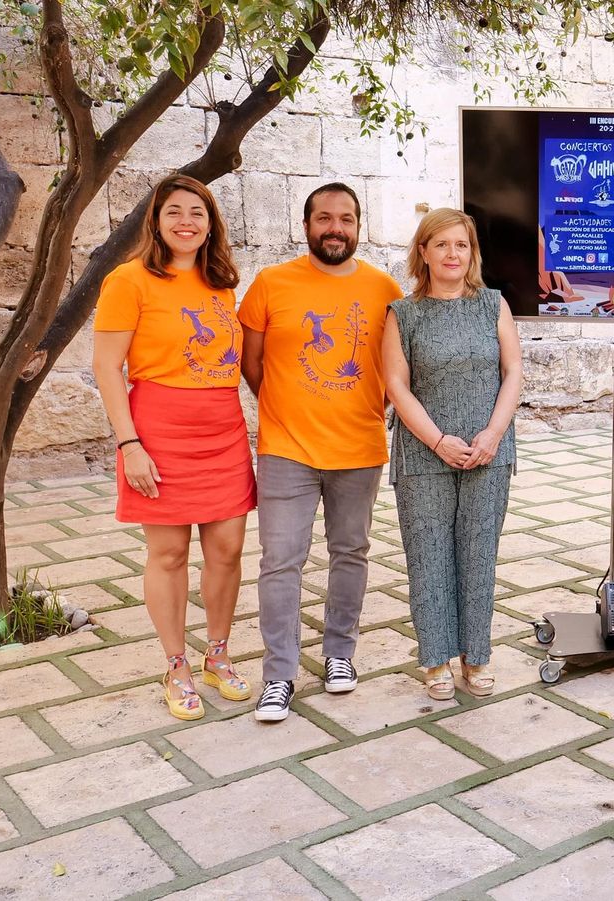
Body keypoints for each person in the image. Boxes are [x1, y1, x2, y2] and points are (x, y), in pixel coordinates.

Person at [91, 174, 255, 722]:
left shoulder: (221, 284)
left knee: (228, 549)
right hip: (157, 431)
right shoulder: (128, 280)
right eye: (174, 212)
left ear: (211, 225)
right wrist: (128, 444)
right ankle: (176, 664)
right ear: (156, 222)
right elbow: (106, 367)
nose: (186, 222)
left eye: (198, 213)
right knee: (169, 553)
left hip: (223, 427)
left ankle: (218, 655)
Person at [239, 183, 404, 723]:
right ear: (306, 225)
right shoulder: (271, 284)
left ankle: (340, 655)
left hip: (359, 447)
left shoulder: (386, 290)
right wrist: (288, 408)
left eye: (347, 219)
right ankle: (279, 674)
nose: (336, 228)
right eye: (325, 218)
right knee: (280, 561)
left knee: (350, 552)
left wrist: (367, 407)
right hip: (286, 448)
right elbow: (253, 363)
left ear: (359, 226)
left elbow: (396, 370)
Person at [381, 209, 523, 701]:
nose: (451, 254)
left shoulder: (493, 306)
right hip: (424, 453)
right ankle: (436, 659)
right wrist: (438, 440)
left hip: (489, 451)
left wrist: (491, 435)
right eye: (440, 244)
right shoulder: (404, 313)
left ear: (472, 252)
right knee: (428, 555)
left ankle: (477, 656)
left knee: (479, 554)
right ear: (423, 252)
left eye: (460, 245)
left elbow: (513, 374)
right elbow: (396, 385)